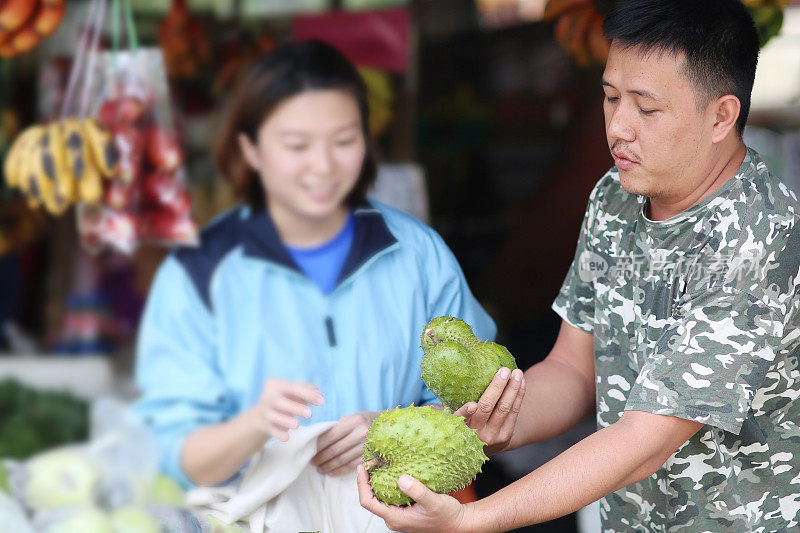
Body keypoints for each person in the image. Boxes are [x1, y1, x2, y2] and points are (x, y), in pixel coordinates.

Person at [357, 0, 800, 531]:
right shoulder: (615, 197)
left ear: (721, 116)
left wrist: (476, 519)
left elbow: (644, 441)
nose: (618, 127)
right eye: (611, 97)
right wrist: (482, 425)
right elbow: (572, 370)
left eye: (647, 108)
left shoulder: (762, 235)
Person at [133, 40, 498, 491]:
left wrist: (390, 428)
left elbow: (480, 405)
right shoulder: (199, 273)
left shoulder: (416, 253)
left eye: (343, 141)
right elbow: (170, 458)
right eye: (297, 145)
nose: (323, 166)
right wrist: (253, 425)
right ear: (250, 150)